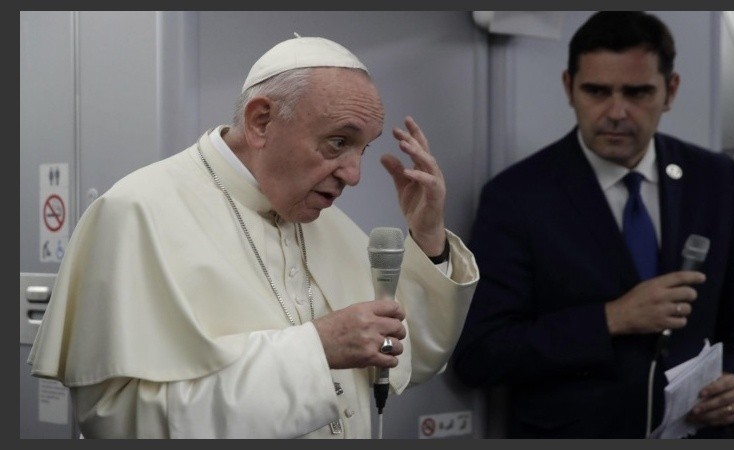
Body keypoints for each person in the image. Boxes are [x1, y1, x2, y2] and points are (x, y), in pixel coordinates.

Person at [27, 35, 479, 439]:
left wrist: (427, 237)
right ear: (261, 121)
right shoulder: (137, 212)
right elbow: (118, 422)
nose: (355, 175)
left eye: (364, 147)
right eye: (338, 142)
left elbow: (410, 361)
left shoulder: (331, 227)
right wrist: (314, 350)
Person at [451, 11, 734, 438]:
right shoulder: (517, 197)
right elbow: (483, 352)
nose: (617, 112)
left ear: (670, 91)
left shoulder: (715, 179)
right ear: (569, 87)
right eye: (597, 91)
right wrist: (611, 319)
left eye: (637, 93)